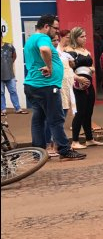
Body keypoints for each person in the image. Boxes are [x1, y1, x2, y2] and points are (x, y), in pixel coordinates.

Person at [23, 14, 86, 161]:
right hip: (46, 86)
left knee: (38, 120)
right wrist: (50, 67)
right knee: (56, 119)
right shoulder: (43, 38)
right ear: (46, 27)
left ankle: (38, 152)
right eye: (55, 28)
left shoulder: (31, 39)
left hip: (33, 85)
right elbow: (45, 50)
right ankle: (64, 150)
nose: (57, 32)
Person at [66, 27, 103, 148]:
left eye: (85, 36)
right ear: (75, 37)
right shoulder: (69, 51)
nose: (84, 39)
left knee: (88, 112)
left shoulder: (86, 51)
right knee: (80, 112)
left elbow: (92, 66)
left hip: (88, 84)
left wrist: (90, 69)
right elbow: (67, 69)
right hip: (77, 85)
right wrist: (78, 76)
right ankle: (75, 141)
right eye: (81, 36)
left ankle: (89, 139)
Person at [43, 32, 76, 156]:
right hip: (54, 87)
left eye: (57, 40)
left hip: (66, 88)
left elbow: (68, 68)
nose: (56, 42)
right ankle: (48, 144)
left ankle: (57, 144)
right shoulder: (46, 54)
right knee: (52, 118)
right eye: (53, 41)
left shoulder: (62, 53)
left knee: (61, 117)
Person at [1, 40, 27, 115]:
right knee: (1, 93)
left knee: (13, 91)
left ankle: (18, 108)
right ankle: (3, 110)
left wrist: (8, 64)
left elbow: (14, 56)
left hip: (10, 74)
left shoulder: (9, 46)